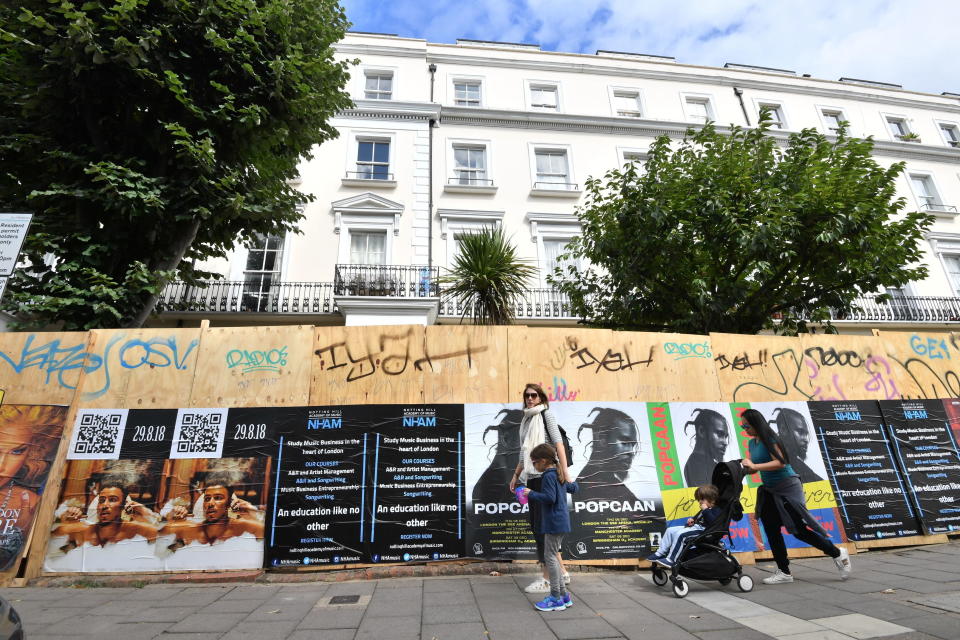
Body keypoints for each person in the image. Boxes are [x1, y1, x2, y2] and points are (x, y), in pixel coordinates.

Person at [740, 409, 851, 584]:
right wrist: (747, 467)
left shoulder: (771, 439)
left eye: (746, 425)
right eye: (742, 426)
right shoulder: (752, 443)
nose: (744, 429)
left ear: (756, 424)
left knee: (798, 530)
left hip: (788, 487)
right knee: (771, 529)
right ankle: (784, 572)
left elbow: (780, 462)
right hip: (770, 490)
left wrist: (755, 465)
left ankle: (837, 553)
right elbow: (757, 466)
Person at [508, 383, 570, 593]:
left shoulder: (546, 416)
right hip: (531, 476)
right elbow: (524, 452)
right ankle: (561, 572)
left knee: (543, 529)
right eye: (527, 395)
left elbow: (558, 444)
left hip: (546, 476)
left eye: (534, 395)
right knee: (539, 528)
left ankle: (546, 579)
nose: (530, 399)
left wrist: (566, 473)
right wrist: (516, 475)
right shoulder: (525, 419)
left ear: (541, 397)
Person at [0, 405, 66, 570]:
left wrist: (21, 529)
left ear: (32, 451)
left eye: (17, 451)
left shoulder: (30, 504)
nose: (2, 466)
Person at [523, 443, 578, 611]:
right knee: (553, 557)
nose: (533, 465)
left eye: (534, 462)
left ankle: (555, 598)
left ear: (544, 461)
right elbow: (574, 488)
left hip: (553, 522)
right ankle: (564, 596)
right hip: (561, 522)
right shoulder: (557, 473)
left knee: (550, 558)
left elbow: (549, 498)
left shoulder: (548, 476)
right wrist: (568, 477)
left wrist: (530, 493)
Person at [52, 479, 159, 550]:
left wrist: (146, 516)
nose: (104, 505)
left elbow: (163, 540)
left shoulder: (136, 531)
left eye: (112, 500)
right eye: (102, 500)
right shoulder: (85, 532)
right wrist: (66, 521)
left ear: (123, 506)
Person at [646, 484, 723, 567]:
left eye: (702, 499)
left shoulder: (717, 510)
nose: (700, 502)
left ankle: (671, 559)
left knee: (681, 534)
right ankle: (660, 553)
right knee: (670, 530)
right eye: (699, 499)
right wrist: (692, 521)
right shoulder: (704, 509)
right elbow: (697, 519)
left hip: (705, 531)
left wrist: (706, 510)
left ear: (712, 499)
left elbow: (713, 522)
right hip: (696, 527)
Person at [771, 408, 823, 483]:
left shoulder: (798, 464)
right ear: (783, 430)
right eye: (800, 432)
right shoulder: (769, 456)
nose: (806, 440)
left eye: (806, 434)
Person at [683, 409, 730, 487]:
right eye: (719, 434)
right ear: (702, 431)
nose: (725, 442)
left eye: (725, 437)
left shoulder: (706, 463)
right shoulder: (697, 465)